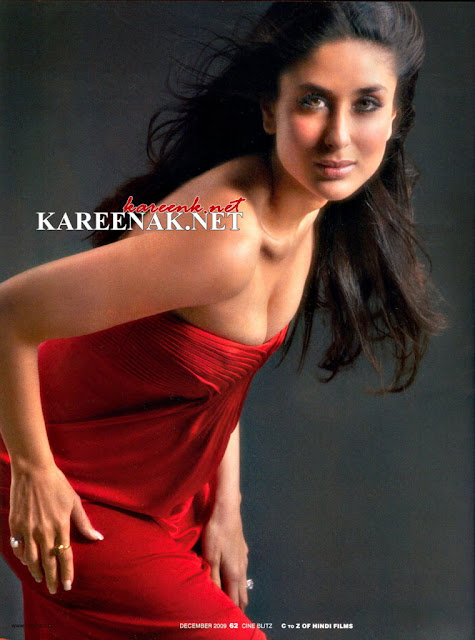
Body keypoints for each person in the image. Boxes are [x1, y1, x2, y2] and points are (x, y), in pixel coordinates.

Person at [0, 2, 445, 638]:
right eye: (313, 102)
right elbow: (9, 312)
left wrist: (226, 508)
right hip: (57, 471)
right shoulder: (222, 237)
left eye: (367, 104)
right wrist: (35, 472)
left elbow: (215, 381)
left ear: (395, 116)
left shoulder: (309, 216)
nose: (338, 137)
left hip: (166, 484)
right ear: (269, 110)